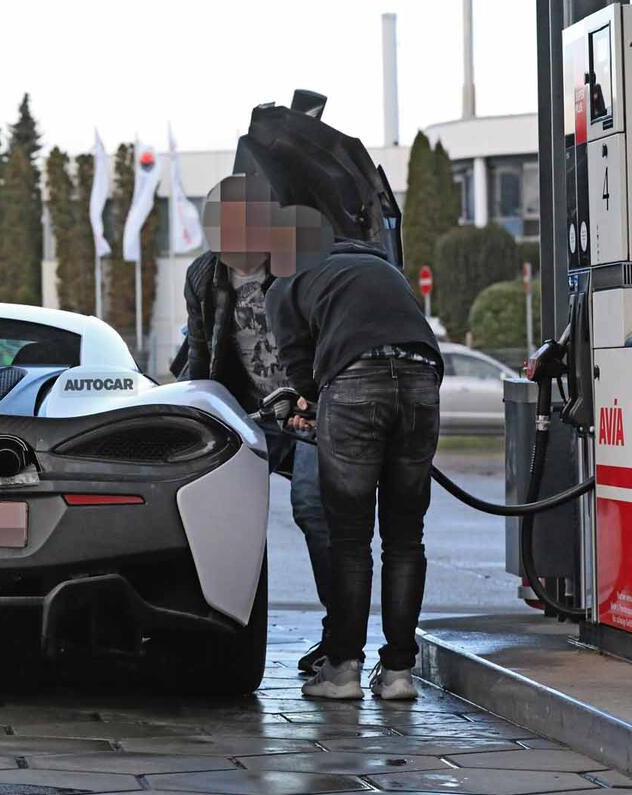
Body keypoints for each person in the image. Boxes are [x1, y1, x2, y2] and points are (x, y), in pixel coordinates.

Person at [245, 105, 443, 701]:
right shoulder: (378, 265)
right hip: (423, 378)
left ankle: (343, 670)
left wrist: (305, 403)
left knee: (351, 536)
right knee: (406, 536)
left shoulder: (287, 284)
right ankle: (401, 673)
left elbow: (302, 372)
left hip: (355, 385)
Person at [178, 171, 335, 675]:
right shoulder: (204, 276)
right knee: (207, 502)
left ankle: (339, 636)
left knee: (313, 505)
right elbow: (202, 360)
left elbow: (328, 343)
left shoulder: (298, 267)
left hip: (313, 408)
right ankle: (211, 627)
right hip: (253, 416)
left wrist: (320, 403)